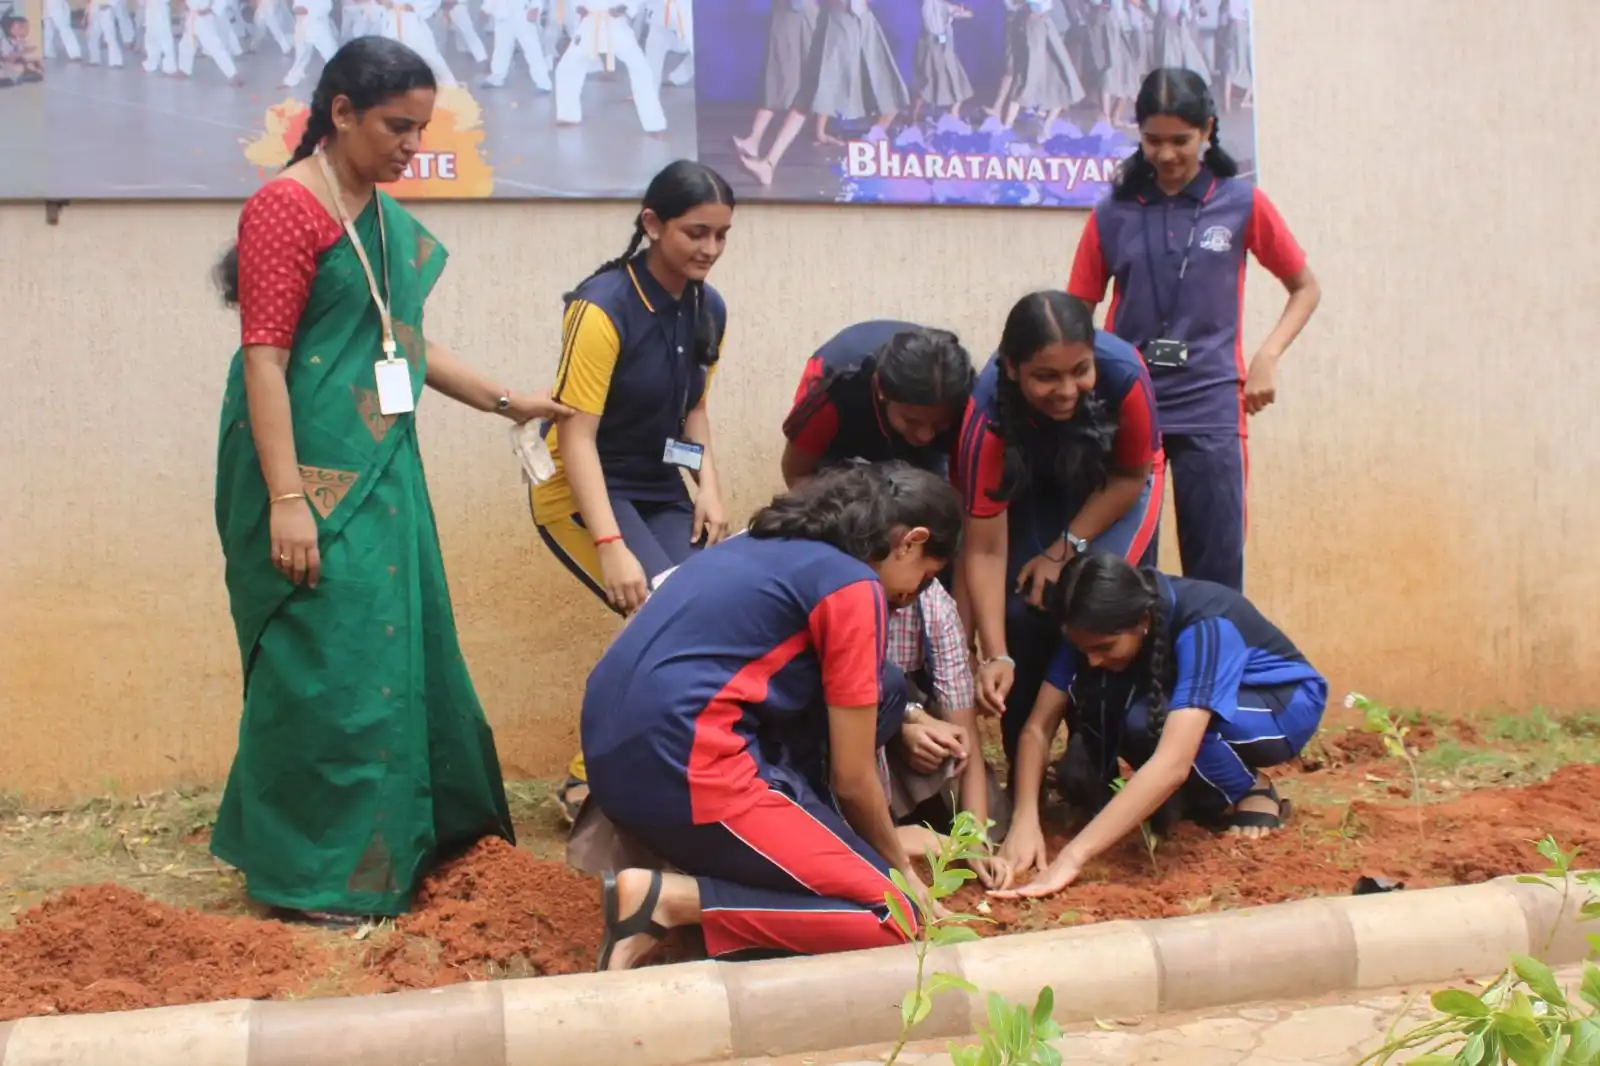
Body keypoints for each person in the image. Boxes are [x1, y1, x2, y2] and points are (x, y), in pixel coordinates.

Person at [208, 38, 569, 925]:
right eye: (396, 127)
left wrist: (505, 400)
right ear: (341, 113)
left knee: (398, 648)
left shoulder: (378, 215)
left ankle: (410, 842)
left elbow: (403, 341)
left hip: (383, 468)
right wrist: (287, 501)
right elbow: (264, 363)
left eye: (420, 129)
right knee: (325, 659)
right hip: (303, 476)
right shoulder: (287, 208)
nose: (412, 145)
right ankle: (319, 872)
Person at [582, 463, 990, 970]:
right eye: (924, 577)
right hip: (689, 765)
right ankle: (672, 903)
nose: (911, 597)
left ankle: (784, 850)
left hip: (613, 762)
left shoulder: (757, 542)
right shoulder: (852, 585)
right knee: (897, 919)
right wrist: (899, 872)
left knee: (885, 688)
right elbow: (853, 778)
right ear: (911, 541)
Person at [531, 159, 735, 822]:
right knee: (662, 614)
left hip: (657, 483)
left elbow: (692, 409)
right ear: (652, 224)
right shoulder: (602, 307)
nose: (709, 249)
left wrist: (708, 488)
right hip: (581, 487)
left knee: (715, 608)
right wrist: (611, 543)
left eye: (721, 235)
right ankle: (586, 781)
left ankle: (661, 765)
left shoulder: (709, 306)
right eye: (695, 232)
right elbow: (576, 438)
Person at [1068, 67, 1320, 592]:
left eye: (1180, 140)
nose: (1166, 154)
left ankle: (1209, 650)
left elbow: (1305, 288)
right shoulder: (1112, 213)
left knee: (1217, 572)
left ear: (1207, 130)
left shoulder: (1241, 203)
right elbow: (1074, 316)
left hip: (1212, 403)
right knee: (1125, 574)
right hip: (1129, 404)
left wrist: (1268, 356)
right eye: (1153, 140)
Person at [992, 551, 1327, 898]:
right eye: (1084, 650)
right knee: (1141, 719)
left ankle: (1251, 789)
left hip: (1283, 705)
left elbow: (1173, 762)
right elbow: (1038, 728)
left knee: (1164, 726)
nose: (1092, 660)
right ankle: (1210, 793)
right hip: (1219, 702)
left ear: (1143, 621)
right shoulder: (1089, 629)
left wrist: (1071, 857)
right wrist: (1024, 820)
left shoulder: (1205, 626)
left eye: (1105, 647)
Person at [954, 290, 1163, 766]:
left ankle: (1097, 757)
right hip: (1029, 482)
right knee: (1025, 607)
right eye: (1046, 376)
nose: (1067, 389)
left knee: (1102, 607)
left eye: (1080, 371)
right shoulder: (985, 414)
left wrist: (1063, 550)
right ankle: (1024, 756)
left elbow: (1130, 477)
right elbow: (984, 549)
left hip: (1116, 485)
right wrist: (997, 655)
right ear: (1012, 368)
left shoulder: (1125, 374)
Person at [781, 319, 975, 487]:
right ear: (881, 389)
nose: (926, 436)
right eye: (911, 421)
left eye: (940, 423)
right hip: (844, 414)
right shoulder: (832, 390)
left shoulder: (970, 400)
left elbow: (968, 497)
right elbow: (798, 475)